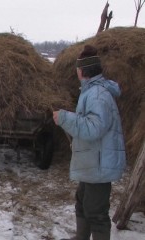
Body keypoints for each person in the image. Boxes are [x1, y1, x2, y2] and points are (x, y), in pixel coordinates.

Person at [53, 45, 126, 240]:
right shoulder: (92, 91)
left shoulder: (97, 95)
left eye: (77, 68)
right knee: (82, 203)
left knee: (96, 212)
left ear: (82, 71)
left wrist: (65, 118)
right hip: (93, 162)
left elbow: (94, 127)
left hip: (99, 164)